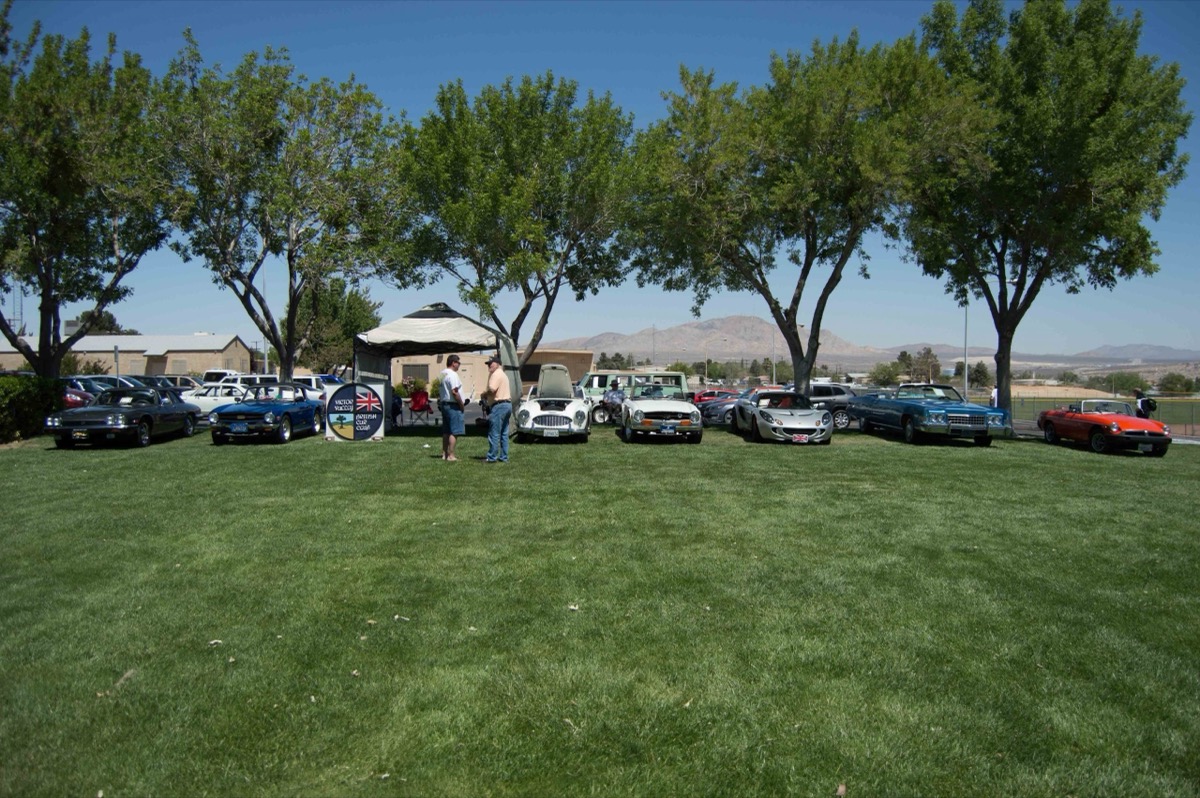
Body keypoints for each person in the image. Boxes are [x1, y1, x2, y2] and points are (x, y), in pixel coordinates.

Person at [481, 355, 512, 463]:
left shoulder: (495, 374)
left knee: (494, 432)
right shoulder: (503, 374)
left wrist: (484, 394)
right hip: (507, 404)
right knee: (504, 433)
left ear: (497, 364)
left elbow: (492, 390)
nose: (489, 366)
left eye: (491, 363)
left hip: (499, 405)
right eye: (488, 364)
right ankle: (504, 457)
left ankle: (492, 457)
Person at [439, 354, 467, 460]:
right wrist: (461, 404)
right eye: (458, 363)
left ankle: (444, 454)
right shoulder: (453, 375)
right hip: (453, 405)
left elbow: (440, 390)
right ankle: (451, 455)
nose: (459, 365)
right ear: (453, 363)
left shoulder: (441, 374)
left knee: (446, 431)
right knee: (454, 431)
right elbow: (455, 392)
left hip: (444, 404)